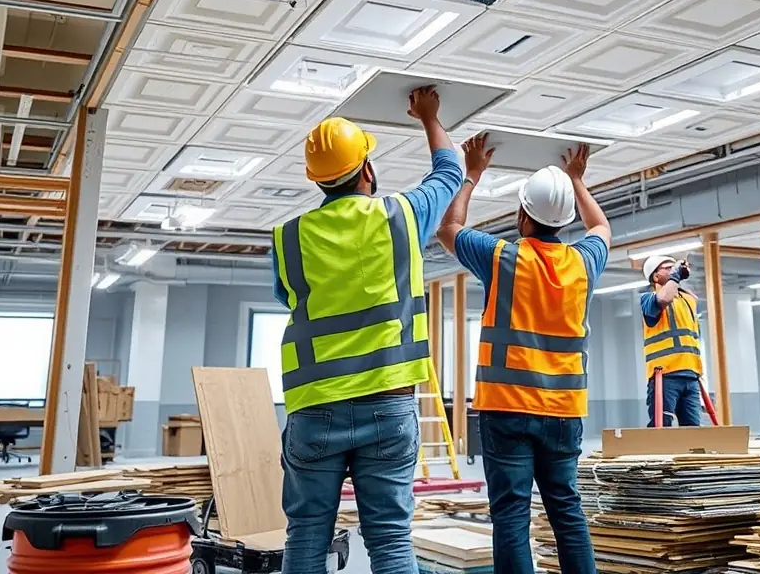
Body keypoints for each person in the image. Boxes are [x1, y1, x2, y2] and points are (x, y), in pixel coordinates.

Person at [271, 87, 462, 574]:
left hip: (315, 409)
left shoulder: (289, 236)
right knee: (392, 541)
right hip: (388, 403)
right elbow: (450, 171)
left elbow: (288, 297)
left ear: (317, 181)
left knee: (306, 537)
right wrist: (429, 117)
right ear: (368, 170)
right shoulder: (401, 216)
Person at [436, 136, 610, 574]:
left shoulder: (502, 257)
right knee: (567, 512)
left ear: (521, 215)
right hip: (564, 412)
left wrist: (472, 172)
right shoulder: (582, 263)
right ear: (565, 220)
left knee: (511, 515)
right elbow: (602, 229)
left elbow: (448, 229)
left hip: (507, 409)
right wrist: (578, 181)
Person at [641, 254, 703, 427]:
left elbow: (691, 297)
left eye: (673, 267)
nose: (673, 270)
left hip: (691, 373)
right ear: (655, 276)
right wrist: (675, 276)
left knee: (693, 431)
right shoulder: (649, 298)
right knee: (662, 428)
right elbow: (664, 298)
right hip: (665, 373)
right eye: (667, 268)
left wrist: (680, 275)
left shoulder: (687, 300)